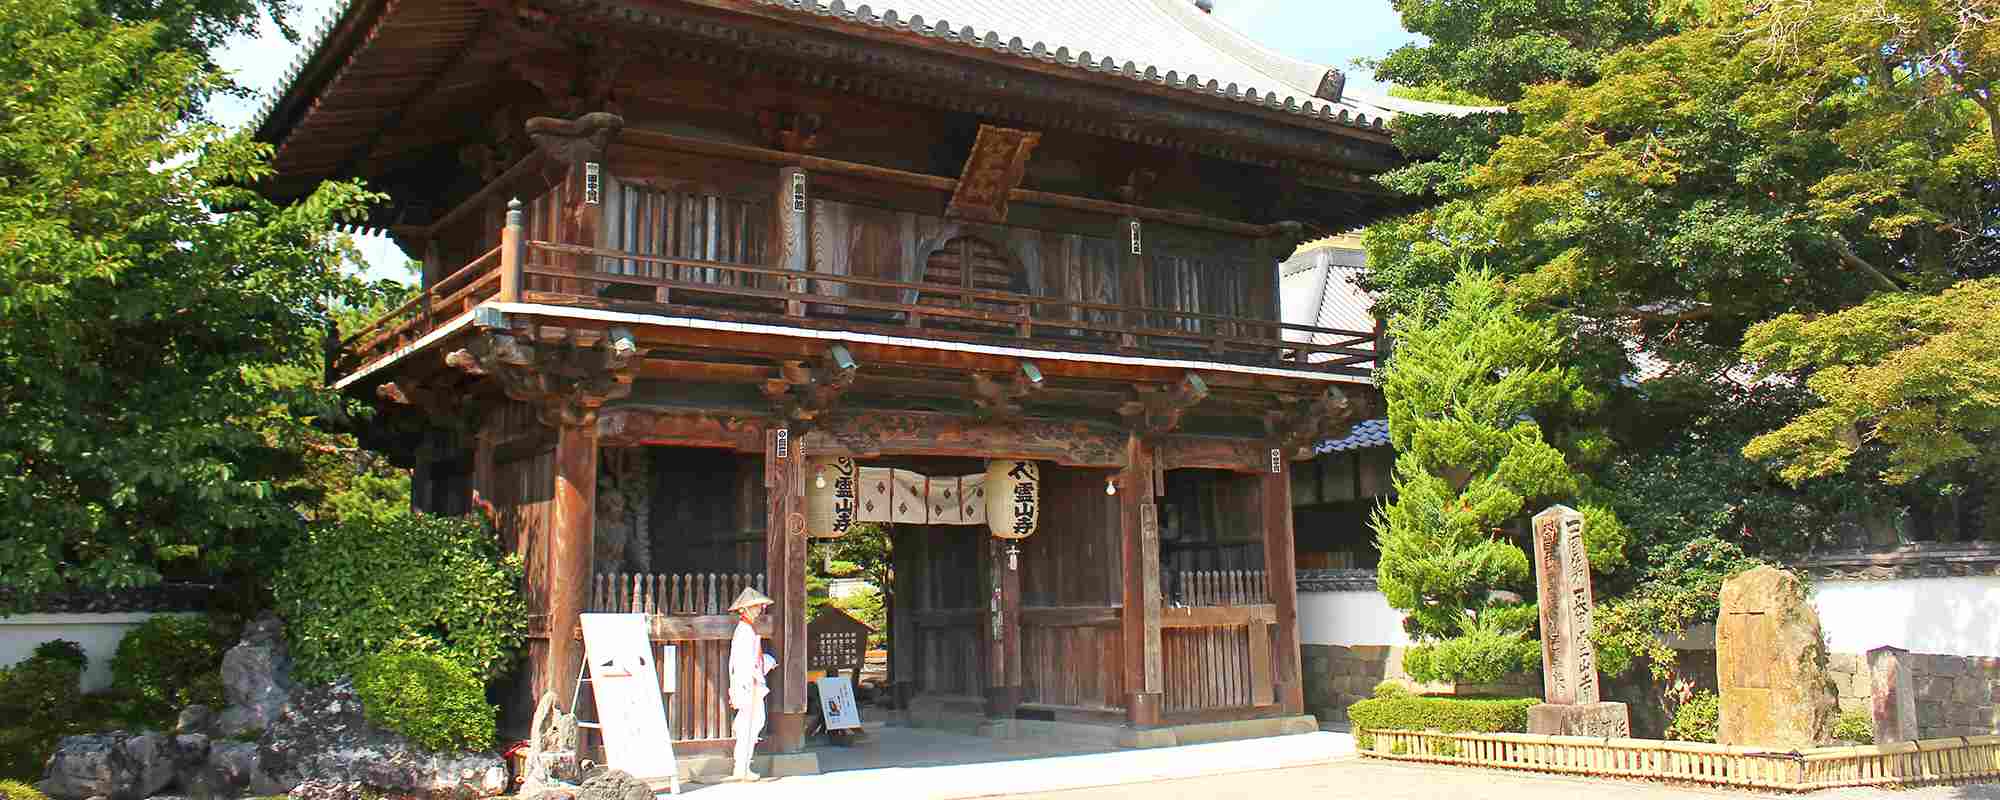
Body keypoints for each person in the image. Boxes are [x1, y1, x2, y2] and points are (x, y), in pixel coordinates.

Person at [726, 587, 775, 782]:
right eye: (754, 607)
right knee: (750, 723)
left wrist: (766, 663)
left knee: (753, 722)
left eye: (758, 607)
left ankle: (743, 765)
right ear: (744, 610)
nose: (758, 610)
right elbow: (742, 662)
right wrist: (749, 681)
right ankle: (742, 767)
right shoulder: (744, 631)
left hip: (750, 680)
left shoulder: (746, 630)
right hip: (748, 682)